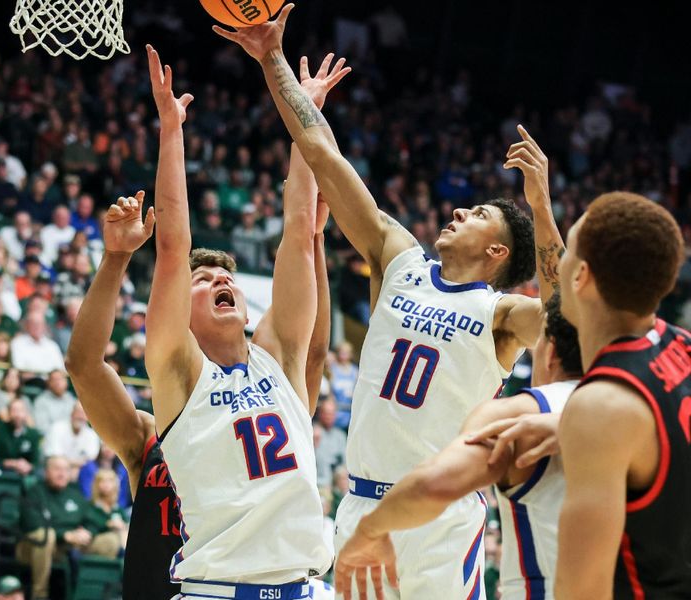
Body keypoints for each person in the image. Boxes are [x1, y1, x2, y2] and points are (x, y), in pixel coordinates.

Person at [217, 12, 560, 598]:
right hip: (363, 505)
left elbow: (568, 318)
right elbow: (323, 154)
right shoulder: (399, 261)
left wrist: (542, 202)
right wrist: (272, 59)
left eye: (477, 215)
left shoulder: (503, 313)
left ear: (498, 250)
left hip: (440, 517)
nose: (456, 213)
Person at [67, 45, 335, 600]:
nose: (221, 281)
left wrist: (303, 110)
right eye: (203, 280)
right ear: (175, 314)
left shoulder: (281, 358)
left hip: (306, 589)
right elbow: (172, 248)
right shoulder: (181, 380)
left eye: (226, 278)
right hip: (216, 590)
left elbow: (302, 227)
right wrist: (171, 130)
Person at [335, 293, 582, 599]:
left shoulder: (518, 417)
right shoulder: (642, 412)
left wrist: (368, 530)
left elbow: (434, 484)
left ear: (549, 351)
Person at [554, 192, 691, 598]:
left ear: (580, 276)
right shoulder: (682, 345)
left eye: (568, 246)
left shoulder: (602, 408)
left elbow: (582, 591)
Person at [16, 455, 120, 600]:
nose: (62, 473)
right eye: (57, 469)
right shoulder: (35, 492)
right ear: (46, 471)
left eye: (66, 469)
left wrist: (87, 533)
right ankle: (40, 595)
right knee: (46, 536)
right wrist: (65, 535)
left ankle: (93, 593)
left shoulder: (74, 493)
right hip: (34, 547)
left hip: (68, 547)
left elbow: (93, 518)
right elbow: (32, 524)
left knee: (110, 541)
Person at [0, 398, 40, 477]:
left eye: (21, 410)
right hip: (1, 471)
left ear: (26, 413)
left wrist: (29, 466)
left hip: (25, 473)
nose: (17, 415)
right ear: (8, 413)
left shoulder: (33, 434)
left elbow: (36, 461)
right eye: (14, 410)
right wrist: (10, 463)